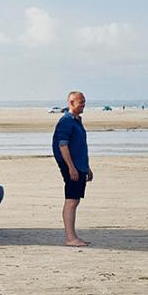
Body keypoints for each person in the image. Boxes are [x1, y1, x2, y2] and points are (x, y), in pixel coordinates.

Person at [52, 90, 92, 247]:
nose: (83, 105)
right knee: (71, 200)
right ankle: (70, 238)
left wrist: (87, 167)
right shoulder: (66, 121)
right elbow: (63, 145)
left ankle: (73, 236)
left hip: (80, 166)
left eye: (84, 101)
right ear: (71, 103)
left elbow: (80, 147)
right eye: (80, 102)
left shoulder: (76, 121)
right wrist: (71, 168)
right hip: (72, 167)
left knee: (75, 200)